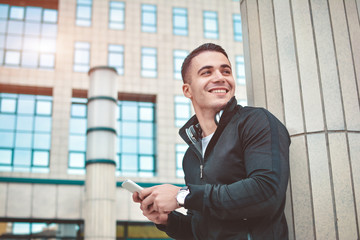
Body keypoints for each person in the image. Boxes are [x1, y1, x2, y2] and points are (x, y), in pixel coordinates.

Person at [132, 43, 291, 240]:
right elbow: (201, 229)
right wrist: (167, 221)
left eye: (226, 71)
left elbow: (267, 191)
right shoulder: (191, 156)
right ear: (187, 90)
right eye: (206, 73)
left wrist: (183, 195)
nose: (220, 77)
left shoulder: (256, 121)